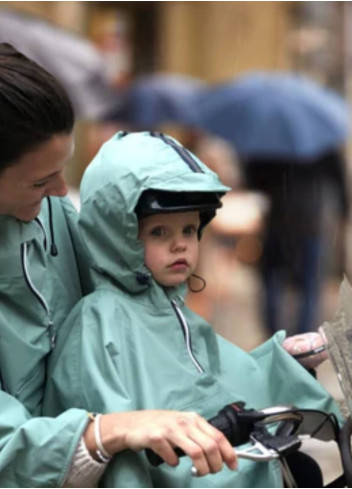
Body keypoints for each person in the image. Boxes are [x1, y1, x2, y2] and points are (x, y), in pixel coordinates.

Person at [43, 131, 341, 487]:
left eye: (188, 229)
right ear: (117, 234)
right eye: (158, 232)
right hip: (186, 475)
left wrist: (286, 361)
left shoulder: (176, 313)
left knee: (306, 469)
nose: (179, 245)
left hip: (218, 464)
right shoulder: (99, 321)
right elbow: (111, 436)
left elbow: (226, 380)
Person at [0, 44, 237, 488]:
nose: (59, 191)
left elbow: (139, 310)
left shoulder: (50, 212)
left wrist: (279, 365)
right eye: (38, 180)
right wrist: (109, 431)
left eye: (63, 168)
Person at [244, 150, 349, 336]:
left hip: (278, 218)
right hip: (310, 220)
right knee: (309, 283)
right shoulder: (320, 142)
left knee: (273, 278)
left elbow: (253, 178)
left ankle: (273, 335)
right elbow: (337, 178)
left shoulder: (270, 141)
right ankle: (302, 339)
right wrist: (344, 211)